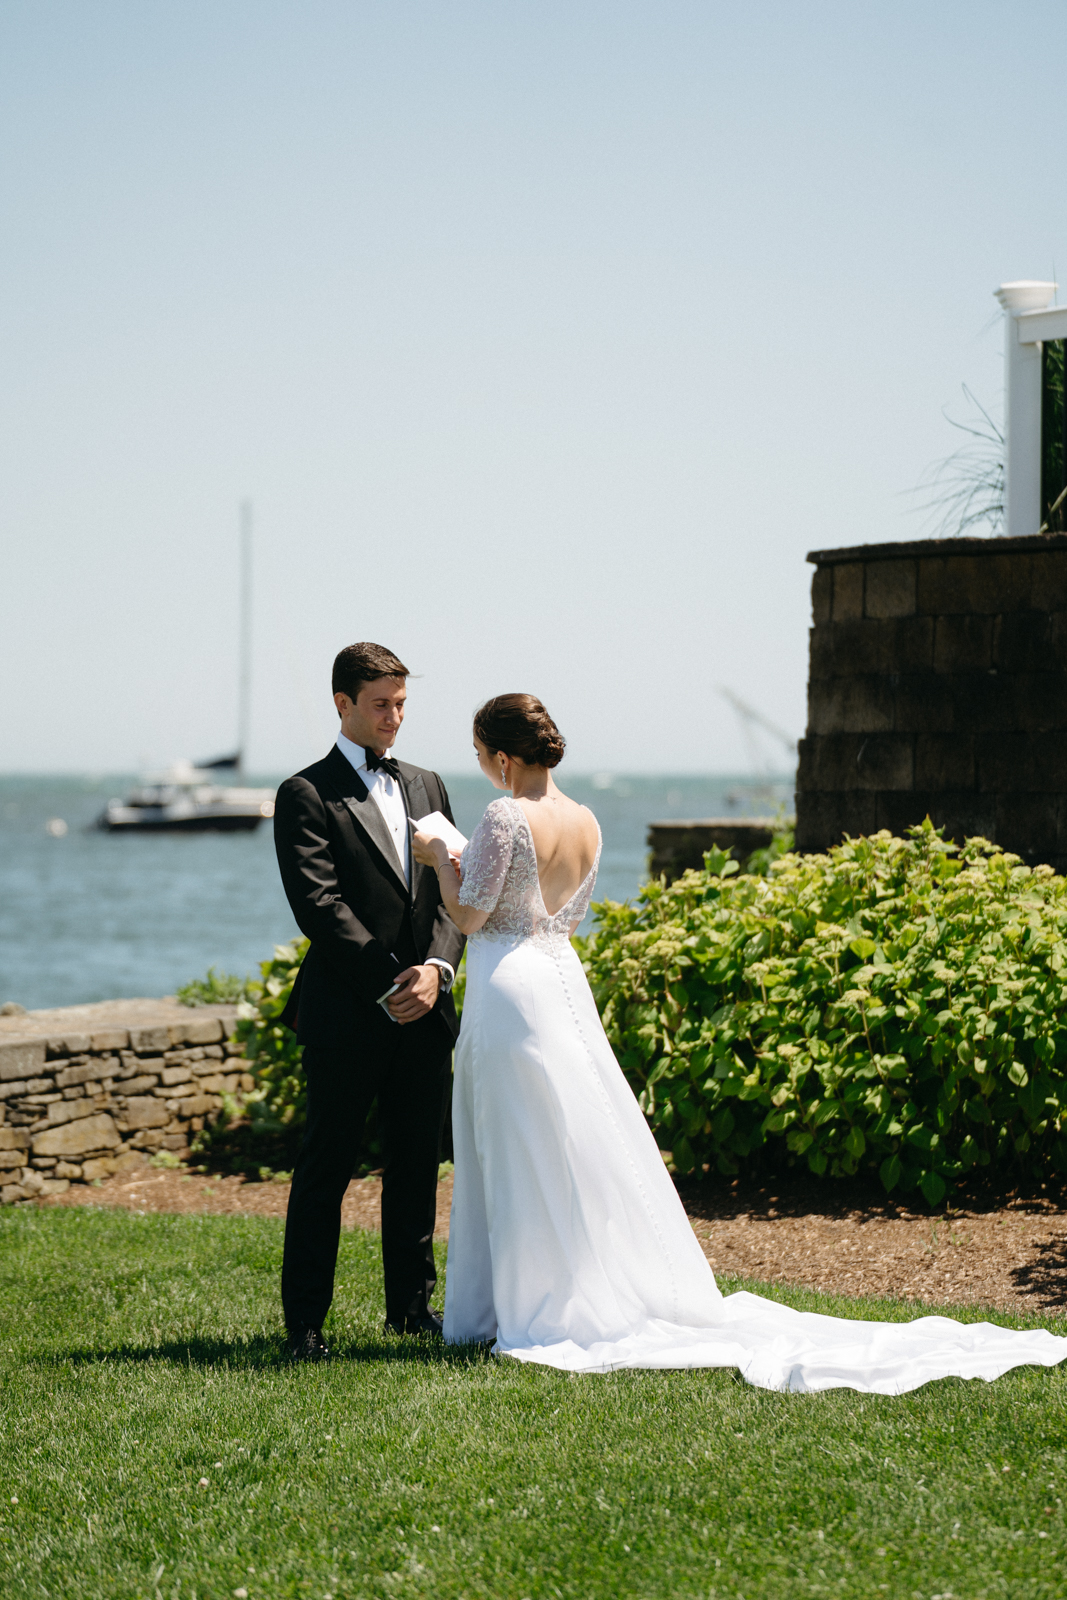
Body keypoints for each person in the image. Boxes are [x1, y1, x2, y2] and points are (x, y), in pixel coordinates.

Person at [413, 693, 1067, 1393]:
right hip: (560, 980)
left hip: (509, 983)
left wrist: (436, 855)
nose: (485, 770)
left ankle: (520, 1302)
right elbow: (559, 915)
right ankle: (553, 1287)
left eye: (484, 758)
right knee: (567, 1141)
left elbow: (472, 915)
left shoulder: (505, 814)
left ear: (504, 757)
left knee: (515, 1141)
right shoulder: (587, 821)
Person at [274, 642, 464, 1361]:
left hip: (426, 1008)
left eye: (402, 704)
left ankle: (411, 1310)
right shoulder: (305, 792)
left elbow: (456, 890)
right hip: (349, 1012)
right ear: (342, 704)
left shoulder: (428, 784)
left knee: (416, 1165)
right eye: (382, 704)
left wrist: (436, 969)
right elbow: (318, 906)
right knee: (327, 1165)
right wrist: (391, 982)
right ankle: (306, 1326)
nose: (394, 717)